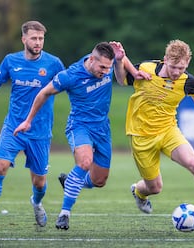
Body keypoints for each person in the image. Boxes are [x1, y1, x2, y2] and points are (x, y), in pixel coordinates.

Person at [14, 41, 150, 230]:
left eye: (108, 67)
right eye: (102, 67)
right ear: (92, 59)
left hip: (102, 128)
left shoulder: (108, 64)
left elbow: (120, 77)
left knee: (99, 181)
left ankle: (71, 181)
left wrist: (129, 69)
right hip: (79, 126)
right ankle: (64, 213)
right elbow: (44, 93)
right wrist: (28, 120)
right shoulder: (70, 76)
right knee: (85, 163)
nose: (105, 71)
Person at [124, 39, 194, 225]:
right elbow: (121, 79)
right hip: (141, 137)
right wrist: (121, 61)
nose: (177, 72)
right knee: (154, 187)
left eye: (181, 68)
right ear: (165, 59)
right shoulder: (145, 69)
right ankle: (138, 191)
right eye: (174, 67)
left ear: (188, 64)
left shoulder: (187, 81)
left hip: (169, 131)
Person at [0, 20, 65, 229]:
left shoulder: (53, 63)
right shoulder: (10, 60)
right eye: (34, 38)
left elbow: (68, 83)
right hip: (13, 127)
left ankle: (37, 202)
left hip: (40, 131)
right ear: (24, 39)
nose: (38, 42)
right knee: (0, 166)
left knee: (39, 182)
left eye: (41, 38)